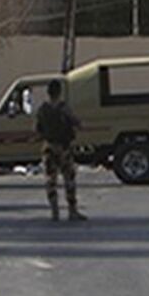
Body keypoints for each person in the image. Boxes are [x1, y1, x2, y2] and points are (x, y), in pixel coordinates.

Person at [35, 79, 86, 221]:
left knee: (50, 180)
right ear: (59, 92)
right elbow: (78, 123)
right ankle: (72, 210)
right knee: (69, 179)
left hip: (49, 147)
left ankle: (54, 211)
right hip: (64, 148)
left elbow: (38, 130)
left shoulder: (42, 110)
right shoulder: (64, 108)